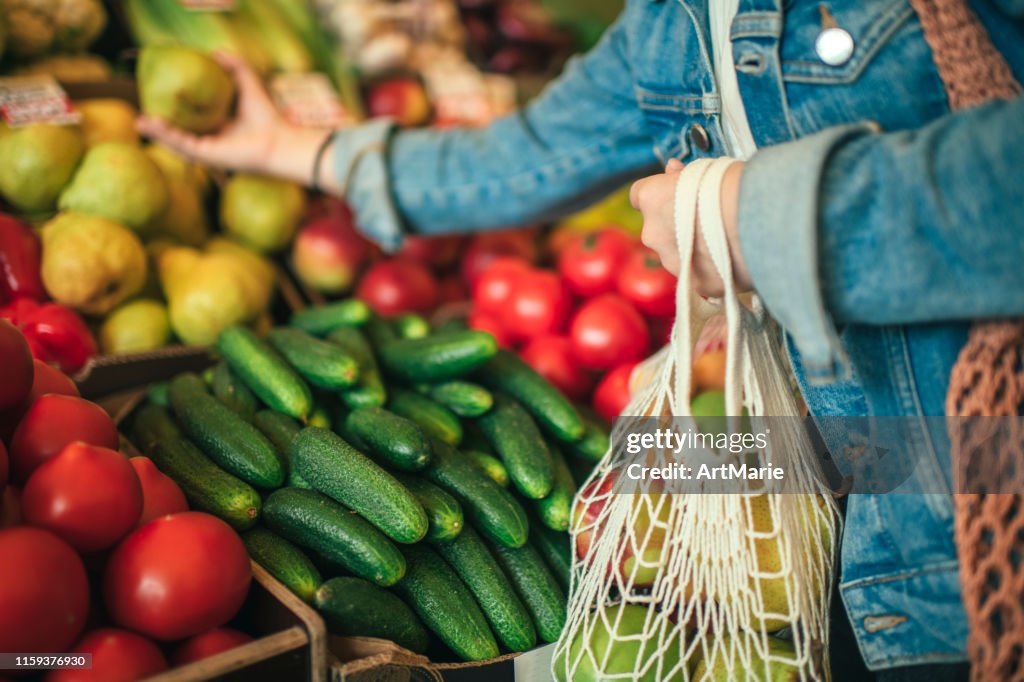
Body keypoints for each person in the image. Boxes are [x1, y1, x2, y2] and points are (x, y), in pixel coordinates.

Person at [140, 1, 1024, 678]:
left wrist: (753, 219)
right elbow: (524, 156)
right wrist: (295, 150)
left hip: (980, 536)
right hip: (847, 544)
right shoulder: (672, 21)